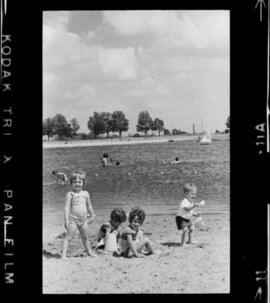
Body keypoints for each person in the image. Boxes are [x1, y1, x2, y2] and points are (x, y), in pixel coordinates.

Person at [62, 170, 96, 258]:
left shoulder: (86, 193)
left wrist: (92, 215)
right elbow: (66, 207)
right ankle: (63, 255)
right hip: (73, 220)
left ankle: (89, 252)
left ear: (83, 183)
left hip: (84, 220)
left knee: (85, 238)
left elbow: (89, 205)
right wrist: (66, 220)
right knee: (68, 238)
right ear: (71, 183)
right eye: (75, 182)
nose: (77, 184)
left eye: (80, 182)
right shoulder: (70, 194)